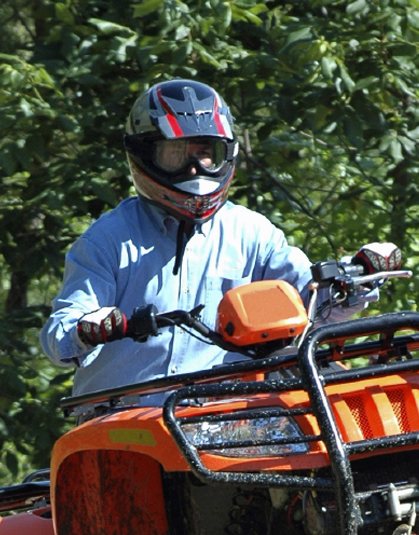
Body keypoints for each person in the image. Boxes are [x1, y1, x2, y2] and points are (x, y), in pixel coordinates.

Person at [40, 79, 386, 399]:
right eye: (176, 153)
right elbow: (59, 334)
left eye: (205, 153)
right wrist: (88, 329)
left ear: (226, 154)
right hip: (122, 422)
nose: (195, 169)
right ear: (145, 154)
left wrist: (356, 277)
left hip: (224, 422)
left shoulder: (251, 232)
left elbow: (311, 305)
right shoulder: (108, 239)